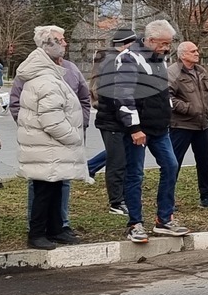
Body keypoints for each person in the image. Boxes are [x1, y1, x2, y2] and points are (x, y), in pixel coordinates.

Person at [11, 25, 91, 237]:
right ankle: (37, 234)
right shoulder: (45, 78)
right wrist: (74, 137)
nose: (65, 44)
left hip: (51, 146)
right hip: (48, 145)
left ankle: (56, 229)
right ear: (48, 45)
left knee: (54, 190)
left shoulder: (53, 72)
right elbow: (52, 120)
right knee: (44, 192)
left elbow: (81, 99)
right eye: (61, 40)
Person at [116, 19, 190, 243]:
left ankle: (164, 218)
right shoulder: (129, 58)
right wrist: (134, 128)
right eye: (163, 43)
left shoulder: (160, 59)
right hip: (138, 129)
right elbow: (123, 95)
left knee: (171, 165)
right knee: (135, 174)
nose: (167, 47)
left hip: (160, 127)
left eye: (169, 43)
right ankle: (135, 223)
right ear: (149, 40)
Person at [168, 41, 208, 209]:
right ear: (183, 55)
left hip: (203, 125)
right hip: (181, 126)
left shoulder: (201, 71)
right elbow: (167, 98)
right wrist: (188, 109)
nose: (198, 53)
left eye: (197, 50)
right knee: (174, 163)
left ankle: (207, 196)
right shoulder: (172, 73)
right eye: (193, 51)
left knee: (204, 161)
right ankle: (167, 199)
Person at [92, 27, 136, 215]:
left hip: (119, 119)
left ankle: (122, 197)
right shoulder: (112, 62)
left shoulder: (115, 60)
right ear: (126, 44)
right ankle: (116, 202)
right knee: (116, 162)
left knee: (121, 160)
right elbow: (113, 94)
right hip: (112, 120)